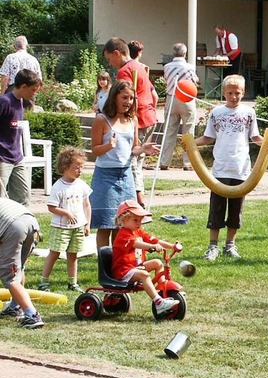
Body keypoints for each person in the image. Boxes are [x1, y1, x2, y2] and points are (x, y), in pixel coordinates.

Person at [194, 74, 268, 261]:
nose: (233, 96)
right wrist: (191, 144)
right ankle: (212, 246)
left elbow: (255, 137)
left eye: (237, 93)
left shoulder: (249, 113)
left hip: (241, 168)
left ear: (243, 92)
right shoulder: (217, 113)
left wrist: (267, 144)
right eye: (230, 93)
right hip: (220, 168)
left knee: (236, 209)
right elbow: (208, 137)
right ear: (224, 93)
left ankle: (230, 246)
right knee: (216, 207)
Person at [90, 80, 159, 249]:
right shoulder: (101, 119)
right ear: (114, 97)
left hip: (126, 175)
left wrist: (143, 148)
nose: (128, 102)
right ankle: (104, 262)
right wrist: (108, 146)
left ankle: (118, 262)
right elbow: (94, 150)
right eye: (124, 97)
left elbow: (133, 148)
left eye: (131, 98)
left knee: (123, 224)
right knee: (106, 224)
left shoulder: (132, 120)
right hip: (105, 176)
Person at [103, 37, 158, 208]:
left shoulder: (124, 71)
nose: (110, 63)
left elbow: (127, 99)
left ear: (117, 53)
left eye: (109, 58)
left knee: (130, 159)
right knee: (137, 162)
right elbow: (154, 94)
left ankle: (137, 201)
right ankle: (135, 199)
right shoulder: (140, 67)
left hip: (137, 120)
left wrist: (126, 119)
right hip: (149, 117)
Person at [111, 199, 179, 315]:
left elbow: (156, 240)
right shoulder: (123, 235)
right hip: (124, 271)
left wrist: (172, 246)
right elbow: (136, 244)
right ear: (123, 220)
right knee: (144, 275)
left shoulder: (139, 232)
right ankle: (158, 303)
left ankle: (162, 292)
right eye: (135, 220)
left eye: (140, 220)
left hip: (136, 267)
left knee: (157, 262)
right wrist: (151, 247)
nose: (139, 223)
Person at [39, 147, 92, 293]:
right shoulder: (58, 186)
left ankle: (72, 282)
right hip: (61, 227)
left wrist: (87, 223)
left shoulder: (81, 185)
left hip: (78, 226)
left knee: (73, 254)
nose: (80, 170)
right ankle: (44, 281)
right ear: (65, 167)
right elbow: (51, 207)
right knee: (55, 252)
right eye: (76, 167)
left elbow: (87, 205)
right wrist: (65, 213)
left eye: (82, 167)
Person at [0, 197, 45, 328]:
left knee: (10, 277)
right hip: (31, 221)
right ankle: (15, 306)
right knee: (19, 267)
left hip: (13, 226)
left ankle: (32, 315)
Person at [0, 69, 42, 206]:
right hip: (2, 159)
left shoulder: (22, 102)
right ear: (23, 86)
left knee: (23, 198)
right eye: (33, 90)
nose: (34, 93)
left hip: (17, 158)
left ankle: (22, 226)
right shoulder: (4, 102)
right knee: (1, 199)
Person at [160, 43, 199, 171]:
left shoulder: (167, 67)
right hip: (186, 99)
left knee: (169, 131)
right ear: (185, 54)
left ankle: (165, 162)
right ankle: (187, 163)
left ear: (173, 53)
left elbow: (167, 79)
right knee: (188, 131)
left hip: (171, 98)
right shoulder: (189, 67)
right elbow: (195, 81)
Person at [0, 35, 42, 109]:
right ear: (26, 46)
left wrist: (2, 93)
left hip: (14, 89)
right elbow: (39, 79)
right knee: (28, 115)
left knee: (11, 114)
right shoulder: (33, 59)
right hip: (29, 89)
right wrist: (34, 92)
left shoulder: (10, 57)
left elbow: (5, 77)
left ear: (14, 46)